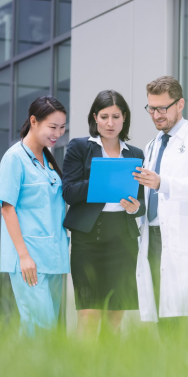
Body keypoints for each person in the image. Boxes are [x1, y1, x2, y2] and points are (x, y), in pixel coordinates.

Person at [133, 76, 188, 329]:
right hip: (154, 239)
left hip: (182, 240)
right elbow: (149, 196)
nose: (156, 115)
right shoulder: (152, 145)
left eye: (162, 108)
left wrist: (162, 183)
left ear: (180, 105)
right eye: (151, 108)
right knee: (164, 322)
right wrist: (136, 207)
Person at [62, 90, 146, 337]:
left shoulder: (136, 154)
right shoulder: (79, 147)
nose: (110, 123)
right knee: (88, 315)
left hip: (123, 240)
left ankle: (108, 375)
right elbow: (68, 191)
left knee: (115, 318)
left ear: (124, 118)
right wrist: (101, 182)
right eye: (105, 116)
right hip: (88, 240)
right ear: (95, 118)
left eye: (116, 116)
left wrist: (136, 207)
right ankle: (82, 374)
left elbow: (142, 197)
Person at [0, 95, 69, 336]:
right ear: (34, 121)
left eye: (62, 127)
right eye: (52, 127)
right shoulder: (14, 158)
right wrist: (24, 256)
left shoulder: (48, 160)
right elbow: (7, 208)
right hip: (29, 260)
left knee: (47, 331)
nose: (57, 133)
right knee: (40, 328)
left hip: (54, 258)